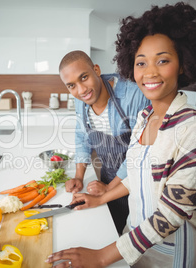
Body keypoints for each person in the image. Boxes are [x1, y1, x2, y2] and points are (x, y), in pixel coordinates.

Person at [46, 2, 196, 267]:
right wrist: (99, 198)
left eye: (162, 60)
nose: (149, 72)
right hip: (132, 243)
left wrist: (103, 255)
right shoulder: (143, 120)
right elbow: (135, 172)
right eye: (141, 62)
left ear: (182, 64)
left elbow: (171, 217)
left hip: (171, 253)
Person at [59, 50, 150, 235]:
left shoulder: (133, 95)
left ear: (96, 70)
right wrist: (79, 176)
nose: (81, 90)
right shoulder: (80, 100)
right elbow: (82, 136)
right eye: (71, 86)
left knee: (138, 236)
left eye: (84, 77)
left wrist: (110, 187)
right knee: (112, 230)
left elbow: (138, 150)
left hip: (138, 181)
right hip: (108, 177)